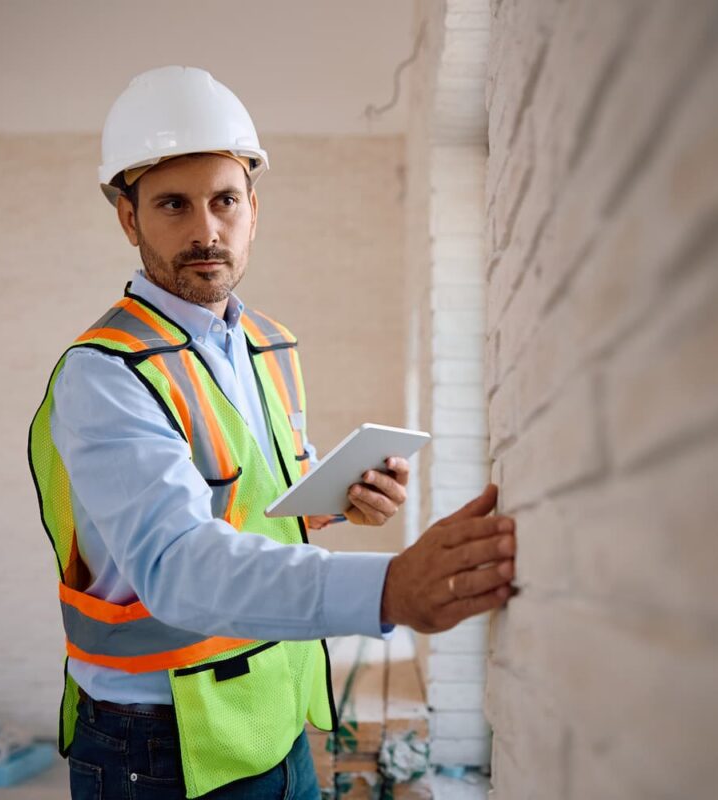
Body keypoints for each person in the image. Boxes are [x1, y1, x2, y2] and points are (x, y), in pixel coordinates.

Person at [28, 66, 517, 800]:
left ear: (253, 208)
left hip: (278, 708)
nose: (205, 229)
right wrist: (386, 588)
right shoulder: (104, 374)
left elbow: (254, 488)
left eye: (224, 200)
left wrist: (338, 497)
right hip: (159, 739)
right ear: (128, 219)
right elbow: (177, 563)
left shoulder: (264, 342)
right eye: (172, 205)